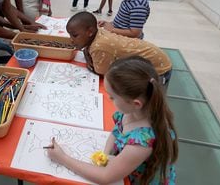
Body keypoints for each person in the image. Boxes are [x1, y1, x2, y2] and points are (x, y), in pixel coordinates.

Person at [47, 55, 178, 185]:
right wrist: (104, 155)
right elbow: (116, 132)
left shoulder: (141, 143)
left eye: (112, 97)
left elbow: (105, 177)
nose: (109, 100)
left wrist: (62, 158)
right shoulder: (132, 111)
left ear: (136, 103)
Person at [66, 12, 172, 87]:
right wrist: (87, 53)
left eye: (75, 36)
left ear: (90, 32)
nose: (71, 40)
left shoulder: (99, 46)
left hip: (159, 70)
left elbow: (100, 71)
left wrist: (89, 60)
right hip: (157, 59)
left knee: (149, 107)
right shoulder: (98, 34)